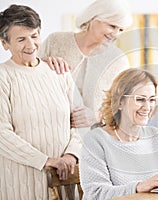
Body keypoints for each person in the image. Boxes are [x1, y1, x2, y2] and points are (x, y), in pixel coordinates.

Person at [79, 68, 158, 200]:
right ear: (120, 102)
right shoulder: (95, 140)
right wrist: (138, 187)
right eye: (140, 99)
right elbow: (95, 194)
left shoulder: (155, 136)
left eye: (152, 100)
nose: (147, 107)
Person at [0, 4, 81, 200]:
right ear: (5, 43)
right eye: (21, 39)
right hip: (20, 182)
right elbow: (2, 134)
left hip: (65, 180)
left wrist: (71, 155)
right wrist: (46, 161)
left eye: (34, 36)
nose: (31, 45)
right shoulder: (3, 76)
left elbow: (79, 123)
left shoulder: (59, 71)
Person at [39, 0, 133, 128]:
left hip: (91, 138)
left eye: (120, 29)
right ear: (93, 18)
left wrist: (98, 117)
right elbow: (28, 77)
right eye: (112, 26)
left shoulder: (118, 60)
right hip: (48, 128)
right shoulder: (56, 41)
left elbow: (125, 107)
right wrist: (40, 64)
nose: (116, 34)